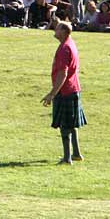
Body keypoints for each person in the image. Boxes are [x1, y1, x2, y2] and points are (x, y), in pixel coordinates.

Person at [41, 21, 86, 165]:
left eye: (58, 27)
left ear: (64, 32)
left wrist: (52, 93)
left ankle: (67, 158)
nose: (55, 29)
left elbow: (63, 73)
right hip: (73, 88)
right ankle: (77, 153)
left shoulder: (64, 49)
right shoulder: (70, 43)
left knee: (65, 125)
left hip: (65, 90)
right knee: (72, 123)